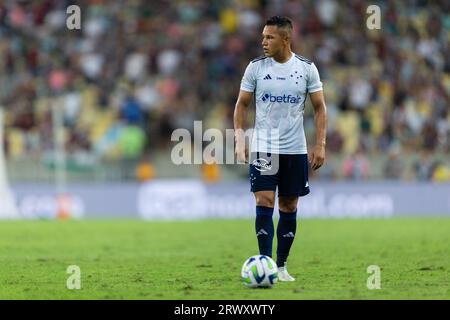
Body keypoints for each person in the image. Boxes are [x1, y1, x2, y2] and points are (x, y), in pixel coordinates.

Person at [234, 16, 327, 281]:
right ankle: (265, 264)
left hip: (295, 149)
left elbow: (320, 107)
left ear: (285, 39)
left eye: (269, 37)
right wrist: (240, 138)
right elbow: (241, 104)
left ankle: (282, 266)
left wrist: (320, 144)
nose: (263, 42)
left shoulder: (307, 69)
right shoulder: (255, 68)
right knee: (264, 200)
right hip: (264, 147)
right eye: (263, 36)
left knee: (288, 205)